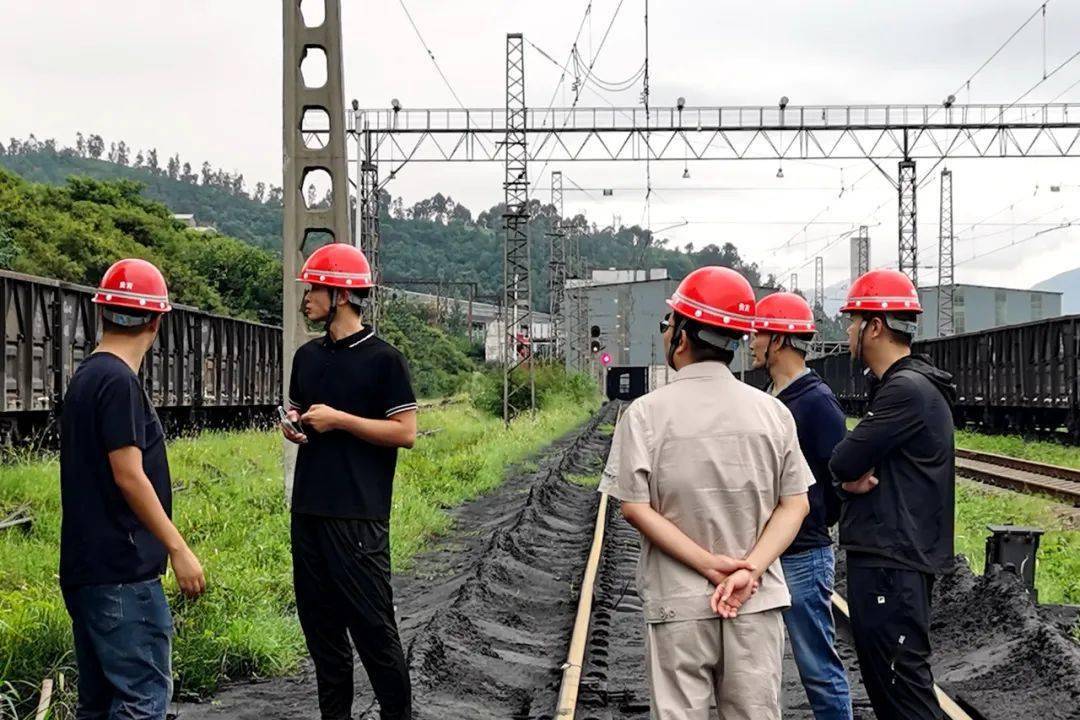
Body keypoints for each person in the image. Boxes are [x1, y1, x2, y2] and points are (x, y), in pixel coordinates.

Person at [599, 266, 813, 720]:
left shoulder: (645, 415)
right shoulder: (773, 413)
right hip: (754, 598)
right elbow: (796, 504)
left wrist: (709, 565)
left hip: (678, 602)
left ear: (681, 336)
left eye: (668, 323)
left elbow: (634, 508)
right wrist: (748, 569)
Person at [59, 258, 206, 720]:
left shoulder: (86, 377)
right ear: (157, 321)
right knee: (142, 699)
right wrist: (178, 548)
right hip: (123, 574)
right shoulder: (119, 382)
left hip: (86, 570)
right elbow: (129, 474)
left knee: (99, 704)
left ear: (101, 312)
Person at [282, 243, 417, 720]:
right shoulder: (307, 357)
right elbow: (301, 410)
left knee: (374, 632)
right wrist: (294, 422)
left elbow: (405, 433)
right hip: (309, 513)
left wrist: (341, 420)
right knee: (323, 638)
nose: (306, 297)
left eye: (313, 288)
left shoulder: (384, 360)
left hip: (358, 518)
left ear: (340, 294)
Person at [829, 269, 956, 720]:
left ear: (875, 326)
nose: (846, 329)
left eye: (852, 319)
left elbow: (844, 459)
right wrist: (847, 482)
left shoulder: (906, 390)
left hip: (893, 563)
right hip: (893, 558)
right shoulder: (905, 386)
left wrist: (844, 481)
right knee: (892, 690)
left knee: (904, 694)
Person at [750, 291, 852, 720]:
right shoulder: (772, 395)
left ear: (778, 341)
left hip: (804, 554)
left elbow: (838, 478)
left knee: (815, 666)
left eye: (758, 332)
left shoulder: (816, 402)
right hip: (774, 552)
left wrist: (814, 518)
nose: (751, 340)